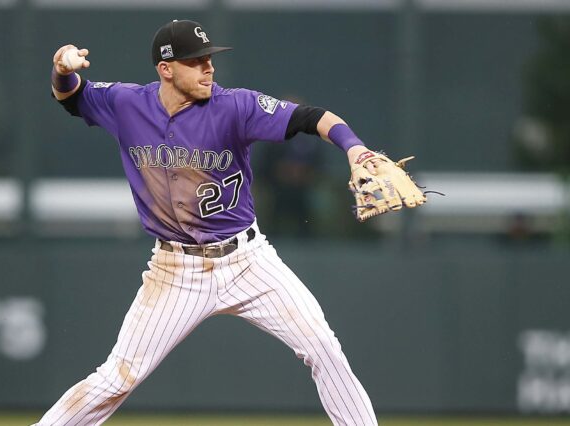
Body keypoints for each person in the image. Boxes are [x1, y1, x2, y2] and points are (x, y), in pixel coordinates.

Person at [36, 19, 378, 426]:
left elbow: (310, 117)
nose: (208, 69)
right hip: (175, 271)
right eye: (196, 62)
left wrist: (355, 148)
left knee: (323, 346)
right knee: (116, 379)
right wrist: (62, 68)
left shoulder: (234, 106)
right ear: (166, 69)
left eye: (209, 60)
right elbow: (71, 97)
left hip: (248, 261)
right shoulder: (128, 104)